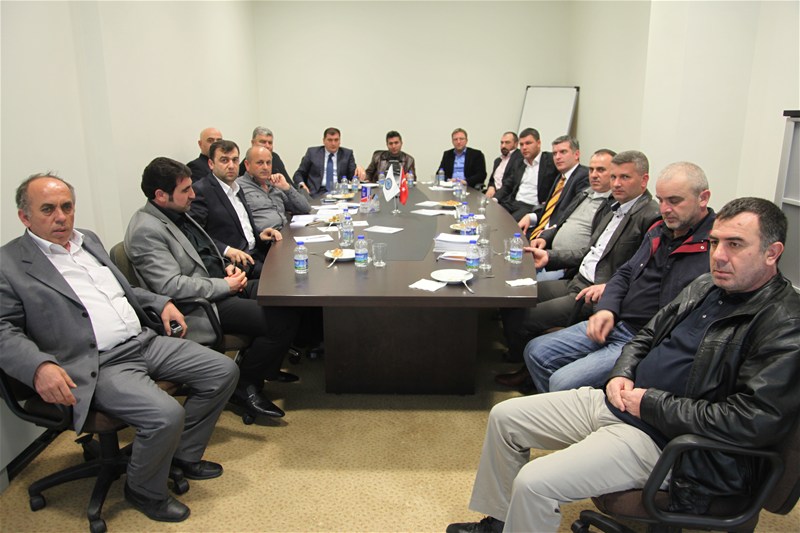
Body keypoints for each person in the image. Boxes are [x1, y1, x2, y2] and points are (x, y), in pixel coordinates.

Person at [448, 197, 800, 533]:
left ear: (772, 253)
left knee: (534, 482)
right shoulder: (707, 285)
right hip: (622, 401)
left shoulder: (784, 322)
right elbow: (645, 336)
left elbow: (751, 421)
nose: (718, 256)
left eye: (735, 245)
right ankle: (500, 522)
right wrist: (621, 373)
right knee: (505, 417)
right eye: (714, 242)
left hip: (668, 440)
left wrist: (649, 403)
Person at [0, 175, 238, 523]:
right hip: (97, 362)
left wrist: (161, 302)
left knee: (223, 370)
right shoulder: (9, 264)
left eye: (67, 207)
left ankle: (182, 455)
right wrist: (39, 366)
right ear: (25, 217)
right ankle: (144, 490)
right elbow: (3, 330)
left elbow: (124, 290)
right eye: (48, 209)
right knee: (165, 414)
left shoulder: (87, 240)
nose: (61, 217)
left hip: (143, 340)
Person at [508, 162, 715, 392]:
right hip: (615, 318)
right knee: (535, 351)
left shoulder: (714, 248)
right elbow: (625, 273)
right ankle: (560, 406)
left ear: (703, 198)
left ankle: (568, 406)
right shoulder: (660, 230)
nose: (665, 209)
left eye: (674, 201)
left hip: (642, 339)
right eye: (662, 200)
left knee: (561, 381)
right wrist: (608, 309)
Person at [126, 157, 301, 418]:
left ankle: (265, 368)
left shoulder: (177, 214)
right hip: (199, 306)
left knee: (285, 295)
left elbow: (202, 253)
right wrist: (223, 284)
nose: (193, 194)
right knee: (280, 320)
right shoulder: (146, 230)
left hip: (218, 285)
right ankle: (244, 385)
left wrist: (226, 266)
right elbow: (170, 285)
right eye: (186, 190)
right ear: (161, 195)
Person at [499, 150, 660, 363]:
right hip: (576, 280)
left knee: (522, 318)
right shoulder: (612, 206)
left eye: (625, 177)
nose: (616, 183)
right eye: (614, 177)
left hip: (593, 293)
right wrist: (549, 257)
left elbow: (640, 273)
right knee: (513, 298)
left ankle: (525, 368)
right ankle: (521, 359)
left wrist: (608, 287)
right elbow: (589, 251)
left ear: (644, 180)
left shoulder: (651, 216)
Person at [189, 140, 281, 278]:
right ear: (211, 164)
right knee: (284, 277)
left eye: (235, 160)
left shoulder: (237, 188)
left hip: (257, 252)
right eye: (224, 160)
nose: (231, 166)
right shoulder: (201, 191)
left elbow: (240, 226)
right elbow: (195, 235)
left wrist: (260, 235)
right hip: (235, 264)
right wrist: (226, 250)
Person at [518, 135, 589, 238]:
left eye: (563, 152)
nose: (557, 157)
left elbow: (569, 217)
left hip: (554, 236)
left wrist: (545, 236)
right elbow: (550, 210)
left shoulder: (583, 177)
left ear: (576, 154)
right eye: (555, 153)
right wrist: (530, 217)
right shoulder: (561, 177)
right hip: (540, 230)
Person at [237, 146, 311, 231]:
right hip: (265, 237)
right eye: (260, 163)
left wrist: (286, 187)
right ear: (247, 165)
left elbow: (305, 208)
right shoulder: (238, 187)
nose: (265, 167)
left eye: (268, 163)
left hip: (287, 233)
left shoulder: (275, 184)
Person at [494, 128, 560, 222]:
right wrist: (495, 199)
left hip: (531, 206)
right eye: (521, 144)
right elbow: (508, 185)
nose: (524, 147)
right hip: (513, 202)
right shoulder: (519, 163)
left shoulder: (550, 160)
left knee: (506, 223)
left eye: (528, 143)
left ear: (538, 143)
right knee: (491, 215)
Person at [293, 127, 365, 196]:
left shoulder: (347, 154)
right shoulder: (312, 153)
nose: (333, 143)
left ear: (340, 141)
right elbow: (298, 174)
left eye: (336, 140)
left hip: (340, 193)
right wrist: (302, 185)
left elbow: (353, 176)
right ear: (324, 141)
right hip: (316, 193)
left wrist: (359, 170)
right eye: (330, 140)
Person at [237, 126, 308, 194]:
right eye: (263, 142)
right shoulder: (248, 162)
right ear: (253, 143)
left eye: (270, 143)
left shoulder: (275, 157)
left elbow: (289, 183)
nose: (267, 146)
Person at [484, 132, 521, 198]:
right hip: (493, 194)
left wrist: (496, 197)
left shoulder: (520, 159)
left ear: (516, 144)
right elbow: (492, 180)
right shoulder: (498, 160)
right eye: (502, 143)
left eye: (507, 142)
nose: (503, 146)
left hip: (506, 198)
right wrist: (491, 186)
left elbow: (511, 184)